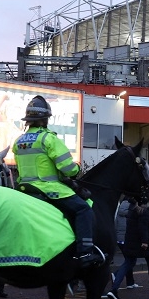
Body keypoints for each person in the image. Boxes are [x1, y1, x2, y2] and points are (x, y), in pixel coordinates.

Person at [13, 95, 103, 266]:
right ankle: (85, 253)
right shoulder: (48, 139)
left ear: (28, 120)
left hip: (24, 189)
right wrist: (76, 168)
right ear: (44, 119)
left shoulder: (18, 142)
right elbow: (67, 169)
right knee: (83, 209)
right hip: (49, 189)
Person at [108, 197, 149, 299]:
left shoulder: (131, 210)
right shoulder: (146, 211)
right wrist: (145, 241)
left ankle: (114, 289)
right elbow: (144, 227)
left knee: (128, 263)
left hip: (131, 242)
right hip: (145, 243)